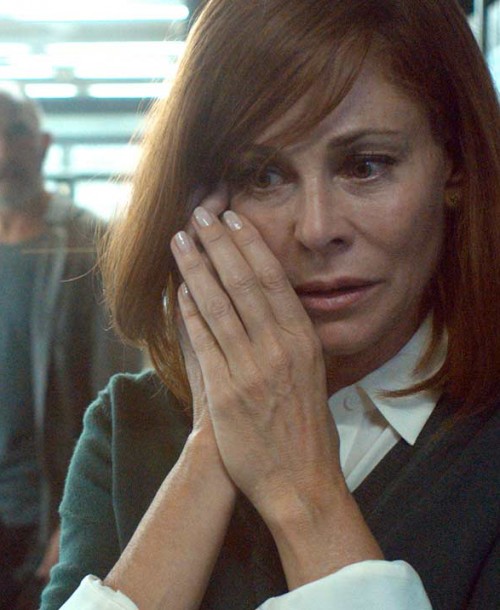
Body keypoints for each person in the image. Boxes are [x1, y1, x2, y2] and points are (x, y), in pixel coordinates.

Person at [41, 0, 500, 608]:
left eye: (366, 166)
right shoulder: (129, 427)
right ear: (199, 206)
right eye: (264, 176)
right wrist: (211, 446)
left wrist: (301, 489)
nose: (317, 228)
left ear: (454, 168)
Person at [0, 87, 143, 609]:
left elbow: (118, 391)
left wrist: (81, 517)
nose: (3, 152)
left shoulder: (87, 242)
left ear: (42, 145)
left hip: (43, 513)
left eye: (15, 133)